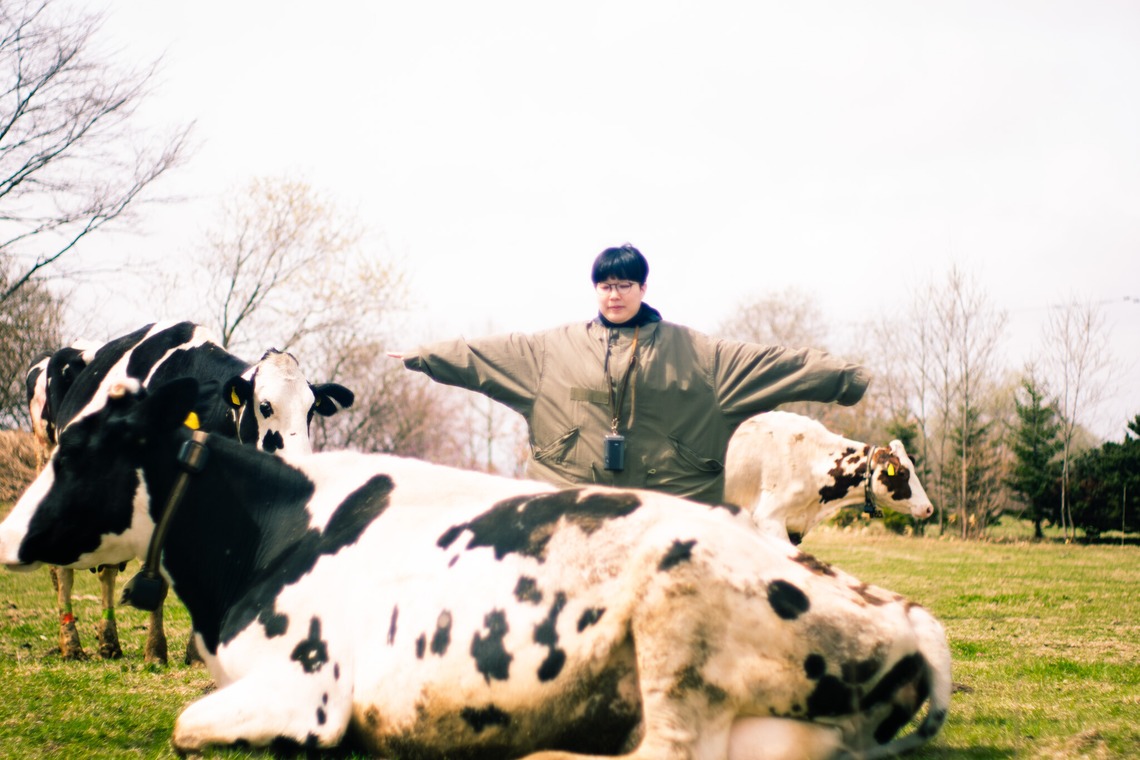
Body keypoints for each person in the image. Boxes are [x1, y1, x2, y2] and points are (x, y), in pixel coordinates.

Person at [389, 244, 869, 504]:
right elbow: (482, 356)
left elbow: (781, 366)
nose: (613, 295)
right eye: (604, 286)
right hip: (570, 503)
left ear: (642, 287)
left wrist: (847, 378)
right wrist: (424, 356)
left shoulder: (699, 356)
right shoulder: (551, 352)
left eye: (623, 285)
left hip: (666, 509)